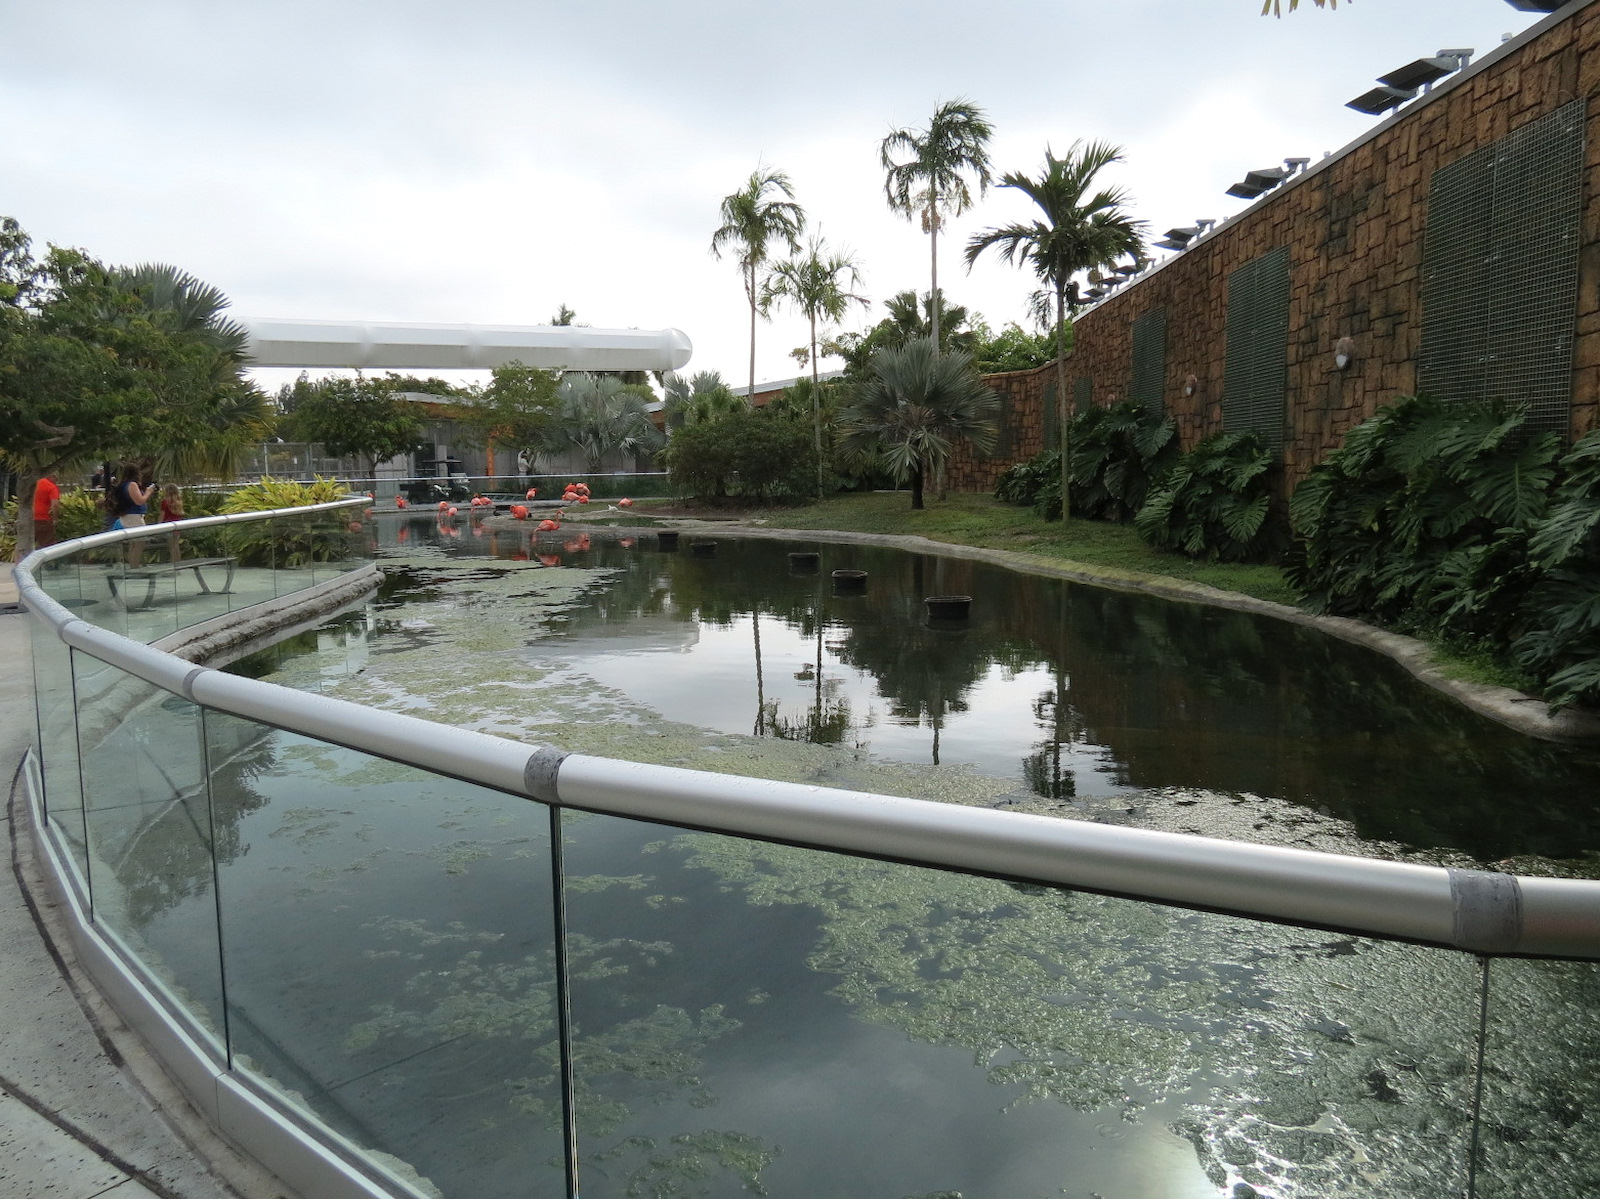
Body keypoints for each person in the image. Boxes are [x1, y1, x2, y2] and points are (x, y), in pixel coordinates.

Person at [112, 461, 155, 566]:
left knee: (134, 543)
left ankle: (133, 565)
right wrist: (148, 492)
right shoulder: (132, 484)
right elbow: (139, 501)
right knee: (140, 542)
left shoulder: (122, 486)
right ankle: (134, 566)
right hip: (134, 516)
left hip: (127, 516)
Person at [158, 483, 185, 562]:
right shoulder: (179, 502)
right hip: (177, 527)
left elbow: (162, 516)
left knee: (172, 548)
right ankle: (178, 565)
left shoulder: (165, 502)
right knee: (176, 547)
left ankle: (173, 565)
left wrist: (158, 525)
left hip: (168, 526)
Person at [32, 475, 60, 549]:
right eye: (57, 478)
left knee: (24, 544)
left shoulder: (35, 483)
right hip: (43, 520)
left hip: (29, 518)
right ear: (53, 476)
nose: (57, 481)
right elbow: (55, 505)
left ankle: (21, 560)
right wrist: (55, 518)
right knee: (48, 546)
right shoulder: (51, 487)